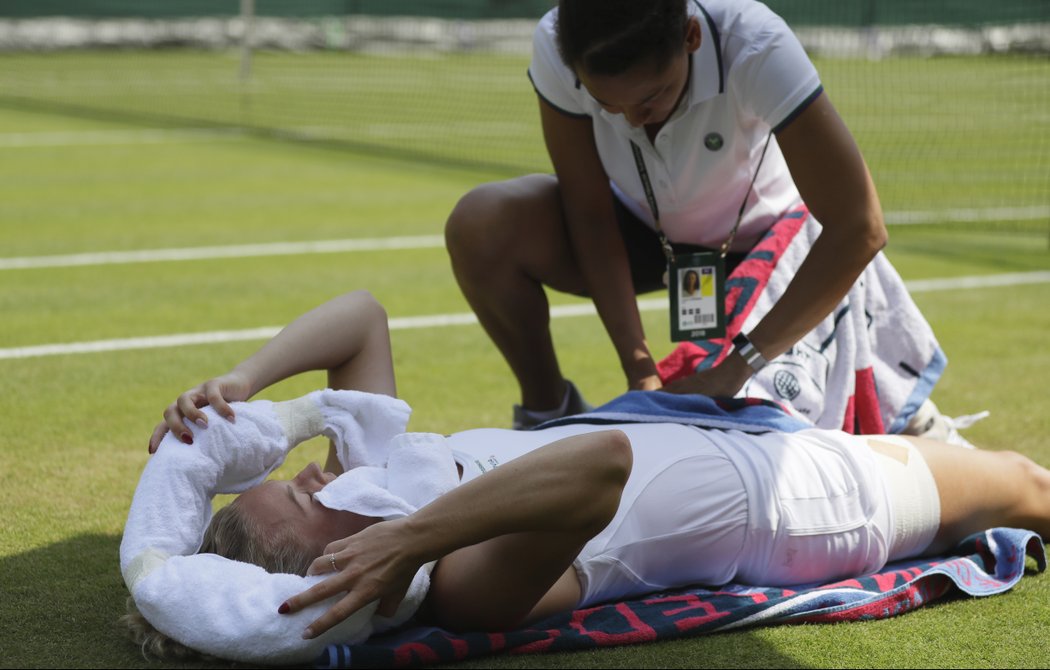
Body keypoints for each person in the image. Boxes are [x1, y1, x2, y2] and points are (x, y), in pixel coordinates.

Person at [141, 290, 1050, 648]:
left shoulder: (370, 483)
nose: (310, 473)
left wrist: (242, 382)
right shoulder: (462, 582)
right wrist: (410, 541)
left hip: (730, 431)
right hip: (796, 507)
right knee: (1022, 485)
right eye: (301, 500)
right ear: (340, 575)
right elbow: (598, 466)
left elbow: (362, 318)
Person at [444, 0, 947, 432]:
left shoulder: (757, 43)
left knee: (754, 430)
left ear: (690, 36)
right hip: (645, 230)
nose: (631, 120)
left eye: (652, 96)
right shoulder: (559, 41)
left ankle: (910, 413)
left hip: (769, 243)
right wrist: (638, 367)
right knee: (483, 223)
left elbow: (860, 226)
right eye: (605, 104)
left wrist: (735, 368)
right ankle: (546, 411)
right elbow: (590, 213)